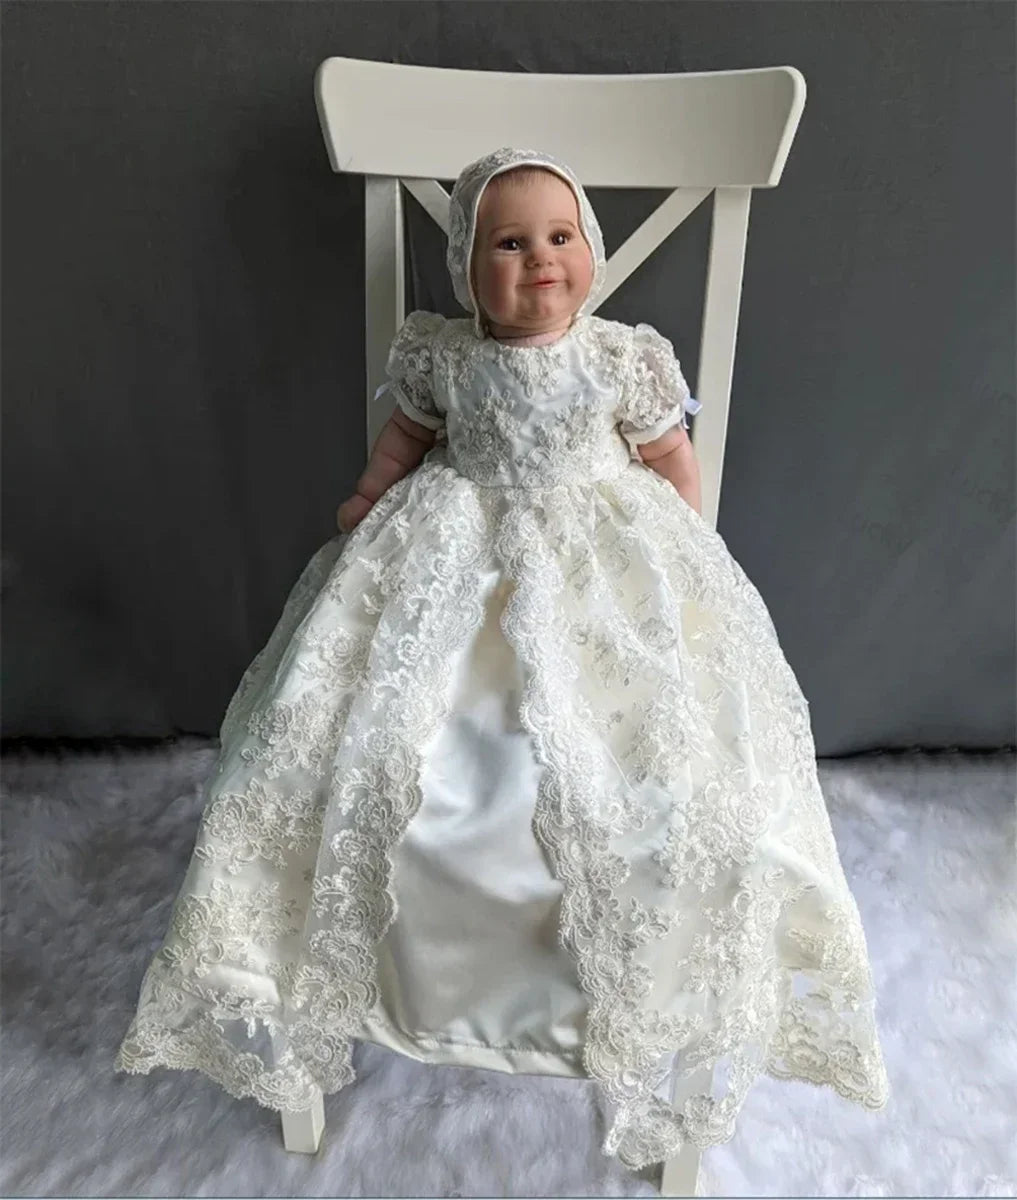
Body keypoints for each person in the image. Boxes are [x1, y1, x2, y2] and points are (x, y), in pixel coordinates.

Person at [114, 146, 889, 1172]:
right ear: (467, 270)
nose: (539, 261)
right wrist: (371, 494)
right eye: (508, 244)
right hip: (452, 548)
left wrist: (681, 546)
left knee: (662, 746)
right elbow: (404, 441)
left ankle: (662, 997)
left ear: (592, 252)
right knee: (356, 729)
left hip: (599, 557)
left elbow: (668, 455)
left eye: (560, 238)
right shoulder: (444, 359)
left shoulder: (618, 358)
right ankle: (318, 969)